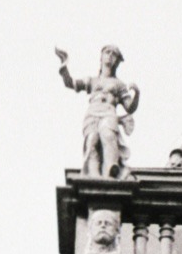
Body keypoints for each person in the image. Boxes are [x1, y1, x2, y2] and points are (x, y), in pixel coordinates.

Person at [56, 45, 139, 180]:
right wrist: (63, 66)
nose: (110, 56)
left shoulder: (119, 84)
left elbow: (130, 108)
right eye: (107, 52)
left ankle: (111, 169)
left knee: (108, 135)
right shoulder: (92, 81)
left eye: (114, 54)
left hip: (109, 112)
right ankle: (93, 173)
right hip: (92, 113)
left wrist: (137, 94)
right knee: (92, 140)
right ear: (101, 57)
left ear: (117, 61)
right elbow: (70, 83)